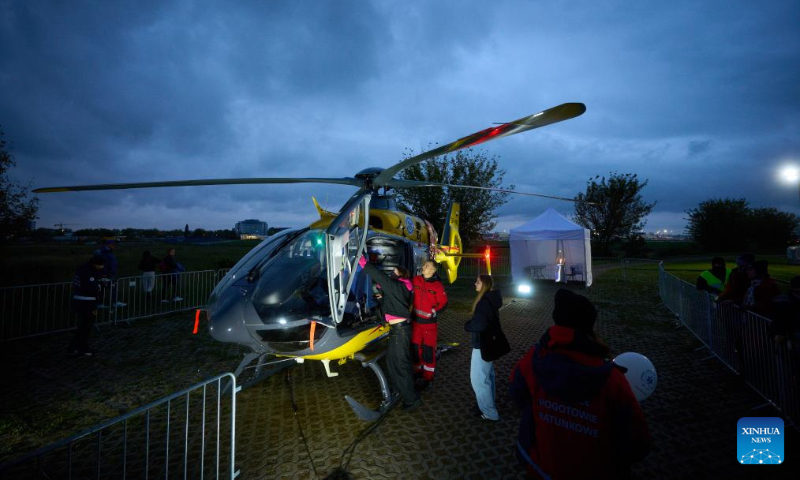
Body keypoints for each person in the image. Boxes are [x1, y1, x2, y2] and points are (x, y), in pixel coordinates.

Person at [509, 289, 651, 479]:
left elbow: (517, 393)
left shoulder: (534, 361)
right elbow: (638, 443)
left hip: (542, 469)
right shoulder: (612, 380)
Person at [358, 255, 422, 411]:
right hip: (398, 330)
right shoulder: (400, 287)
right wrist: (382, 298)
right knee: (393, 362)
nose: (391, 274)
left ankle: (411, 399)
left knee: (399, 364)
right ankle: (402, 388)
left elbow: (380, 277)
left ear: (400, 275)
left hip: (400, 332)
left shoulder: (398, 285)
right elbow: (394, 303)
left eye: (394, 272)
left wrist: (362, 261)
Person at [464, 274, 504, 421]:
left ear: (484, 285)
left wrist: (468, 325)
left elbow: (480, 324)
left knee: (479, 379)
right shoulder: (491, 299)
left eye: (478, 282)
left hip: (482, 345)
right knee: (487, 376)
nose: (475, 284)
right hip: (489, 343)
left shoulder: (483, 302)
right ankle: (489, 405)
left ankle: (489, 412)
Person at [411, 260, 448, 390]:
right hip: (416, 322)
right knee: (415, 349)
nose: (423, 267)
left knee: (428, 351)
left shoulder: (437, 286)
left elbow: (443, 303)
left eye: (426, 266)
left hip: (429, 325)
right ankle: (417, 371)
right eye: (424, 265)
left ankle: (428, 377)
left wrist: (434, 311)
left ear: (433, 270)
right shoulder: (415, 280)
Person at [67, 255, 106, 357]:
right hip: (87, 302)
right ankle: (83, 349)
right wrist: (99, 288)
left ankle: (73, 347)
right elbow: (90, 287)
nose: (102, 267)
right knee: (86, 327)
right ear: (96, 264)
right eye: (101, 265)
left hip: (80, 300)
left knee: (82, 326)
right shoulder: (89, 272)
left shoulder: (82, 268)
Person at [97, 239, 125, 308]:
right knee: (106, 289)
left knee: (108, 289)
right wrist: (104, 275)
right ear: (108, 245)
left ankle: (102, 303)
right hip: (107, 275)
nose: (115, 245)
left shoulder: (108, 252)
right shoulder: (104, 253)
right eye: (113, 244)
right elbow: (104, 264)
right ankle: (112, 302)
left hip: (109, 274)